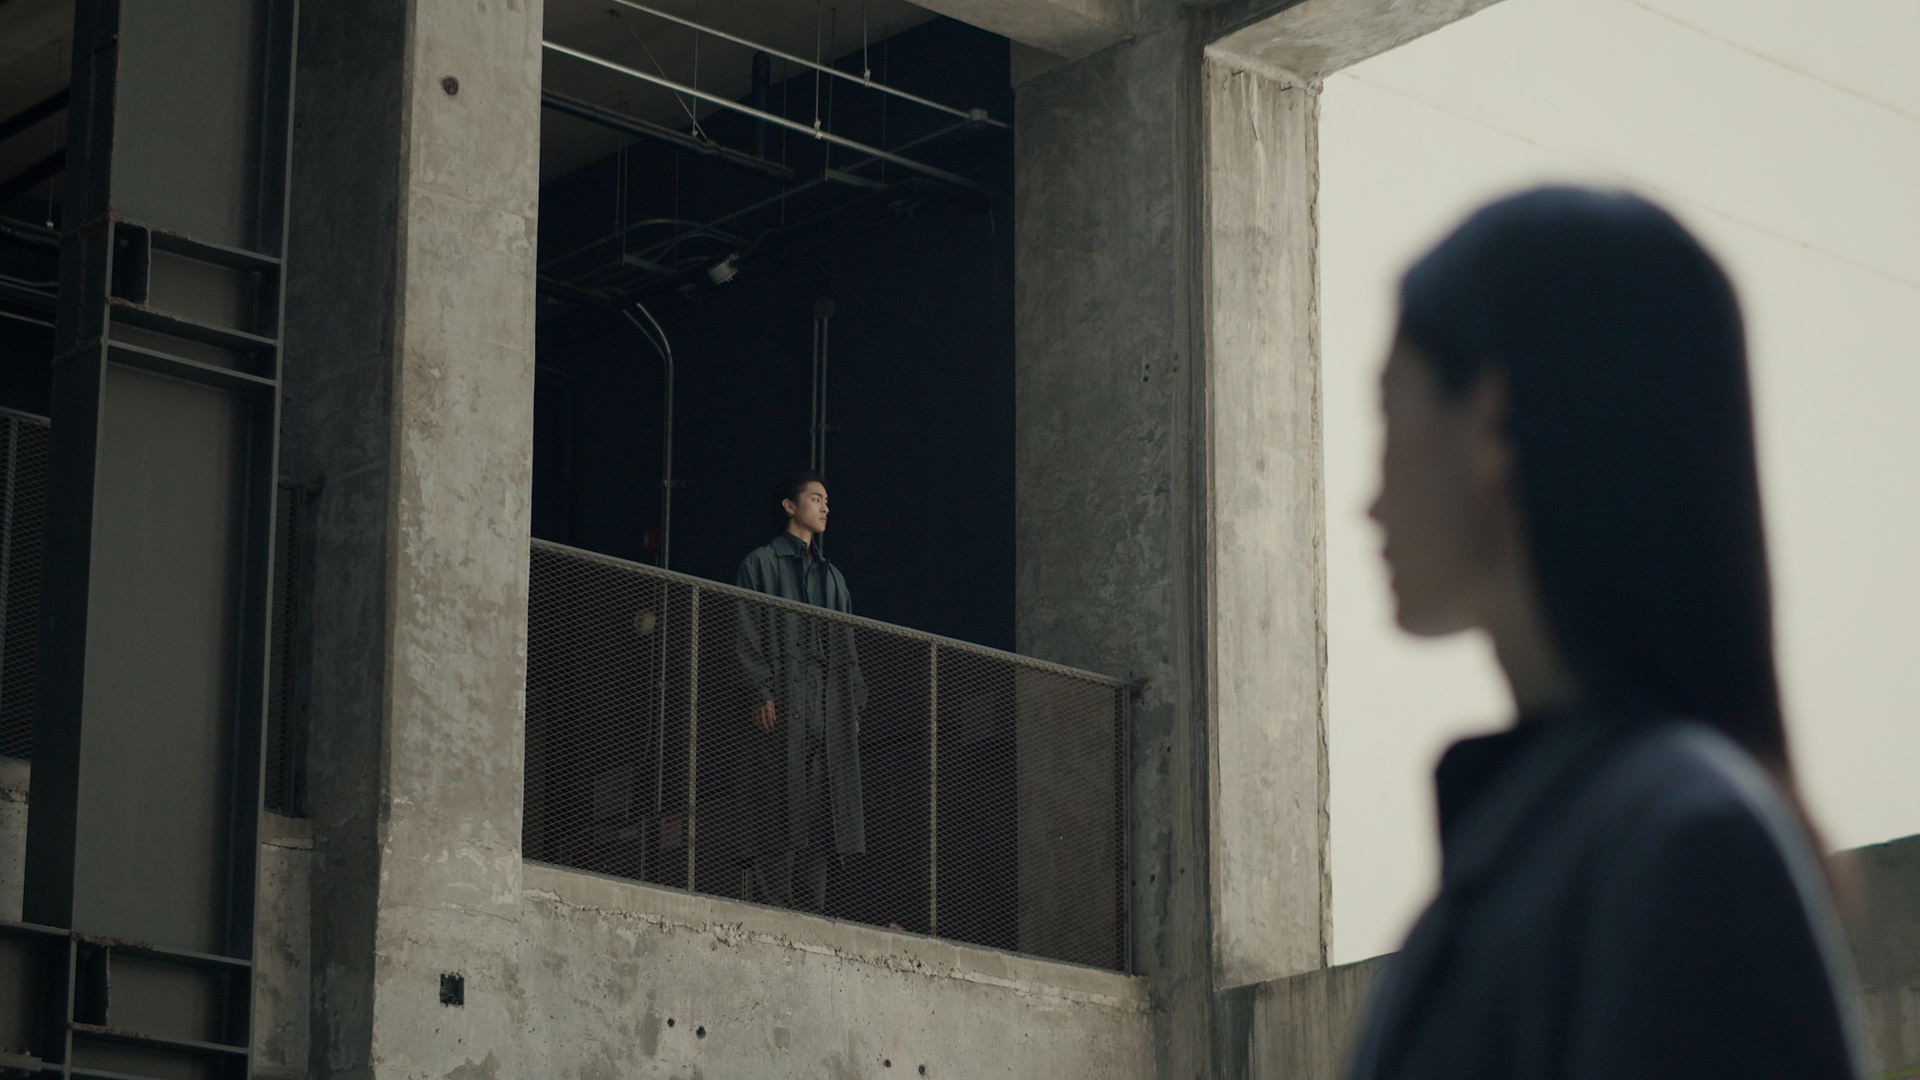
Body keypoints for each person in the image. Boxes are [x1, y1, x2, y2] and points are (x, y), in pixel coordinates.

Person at [1345, 188, 1861, 1080]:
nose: (1368, 500)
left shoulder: (1684, 846)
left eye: (1388, 415)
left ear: (1494, 420)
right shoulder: (1584, 838)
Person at [733, 469, 866, 912]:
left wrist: (852, 705)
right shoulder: (760, 564)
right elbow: (746, 631)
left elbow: (848, 647)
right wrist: (760, 691)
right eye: (815, 498)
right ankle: (776, 907)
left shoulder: (833, 578)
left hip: (826, 701)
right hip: (784, 697)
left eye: (827, 500)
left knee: (823, 801)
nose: (825, 507)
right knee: (777, 795)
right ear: (790, 506)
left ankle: (812, 910)